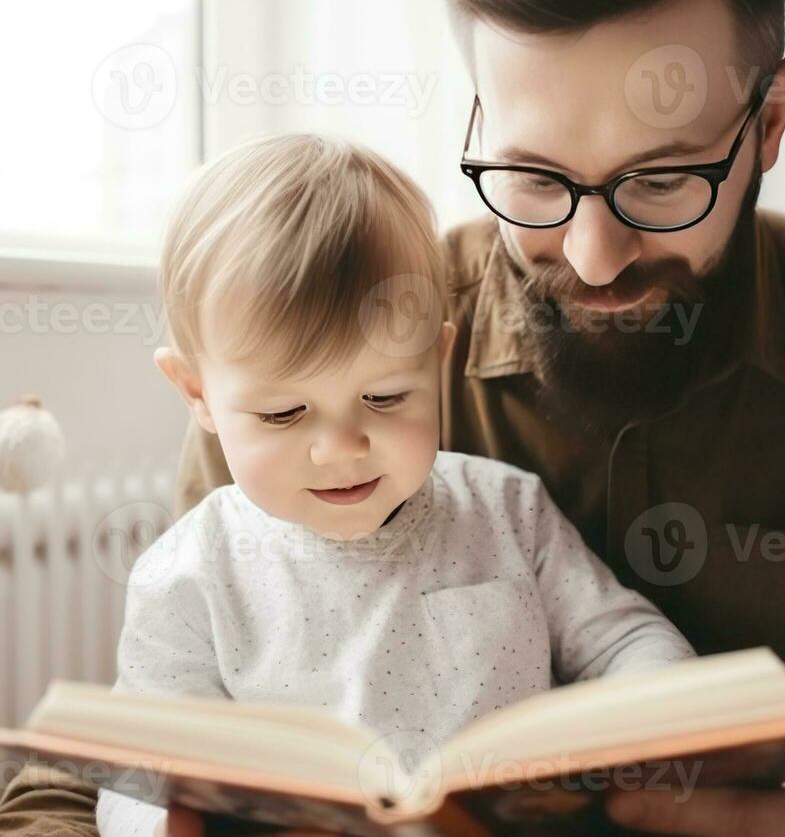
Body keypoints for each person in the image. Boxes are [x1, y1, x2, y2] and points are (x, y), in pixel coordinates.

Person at [3, 0, 785, 835]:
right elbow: (137, 758)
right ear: (476, 119)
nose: (594, 257)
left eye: (661, 180)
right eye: (534, 176)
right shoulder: (315, 339)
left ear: (767, 120)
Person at [91, 132, 694, 836]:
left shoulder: (508, 509)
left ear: (437, 363)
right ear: (197, 393)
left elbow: (626, 642)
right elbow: (138, 770)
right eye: (283, 413)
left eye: (385, 398)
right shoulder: (187, 576)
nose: (342, 449)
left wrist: (657, 723)